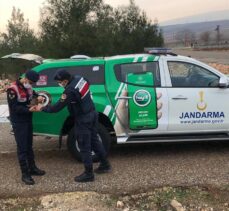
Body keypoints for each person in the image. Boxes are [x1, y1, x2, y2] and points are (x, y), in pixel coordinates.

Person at [35, 69, 111, 183]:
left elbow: (56, 108)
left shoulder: (69, 91)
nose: (59, 84)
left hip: (83, 119)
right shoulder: (80, 78)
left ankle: (89, 174)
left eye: (60, 82)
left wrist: (42, 108)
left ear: (65, 80)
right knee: (94, 140)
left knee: (84, 146)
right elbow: (86, 85)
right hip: (93, 114)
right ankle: (105, 165)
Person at [7, 70, 46, 185]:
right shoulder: (12, 89)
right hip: (19, 122)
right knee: (22, 148)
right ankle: (25, 174)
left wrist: (38, 97)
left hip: (28, 120)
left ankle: (32, 168)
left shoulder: (28, 87)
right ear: (25, 78)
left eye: (33, 83)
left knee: (29, 145)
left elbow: (32, 94)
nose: (31, 84)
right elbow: (14, 107)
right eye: (30, 82)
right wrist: (28, 109)